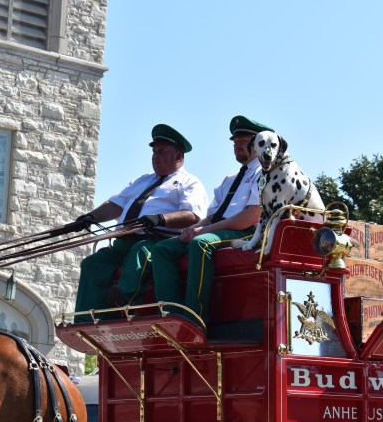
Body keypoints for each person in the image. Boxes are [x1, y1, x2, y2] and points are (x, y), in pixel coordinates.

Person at [74, 124, 209, 316]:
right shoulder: (141, 180)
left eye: (162, 151)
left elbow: (192, 215)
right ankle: (86, 318)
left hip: (156, 241)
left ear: (178, 156)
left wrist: (160, 219)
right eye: (154, 151)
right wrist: (90, 217)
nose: (156, 155)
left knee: (141, 253)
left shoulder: (190, 183)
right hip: (123, 242)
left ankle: (124, 306)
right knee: (92, 263)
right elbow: (116, 205)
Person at [149, 115, 273, 324]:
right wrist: (194, 228)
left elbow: (252, 215)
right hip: (223, 228)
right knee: (162, 249)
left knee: (200, 244)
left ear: (259, 144)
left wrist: (202, 232)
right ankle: (170, 314)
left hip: (250, 232)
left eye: (242, 143)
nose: (236, 147)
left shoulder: (266, 174)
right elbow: (213, 215)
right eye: (235, 143)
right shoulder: (229, 180)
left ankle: (194, 318)